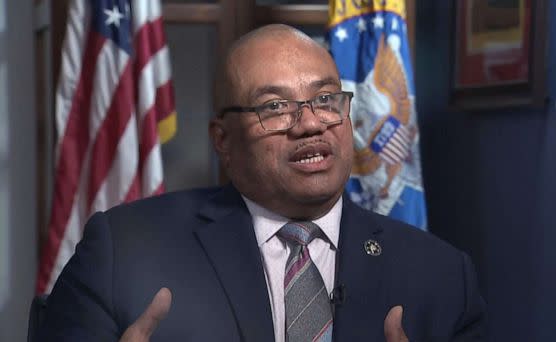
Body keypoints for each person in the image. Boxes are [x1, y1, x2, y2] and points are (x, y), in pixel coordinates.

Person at [38, 24, 486, 341]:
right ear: (223, 140)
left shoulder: (443, 278)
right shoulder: (123, 251)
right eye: (274, 108)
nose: (310, 123)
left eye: (327, 99)